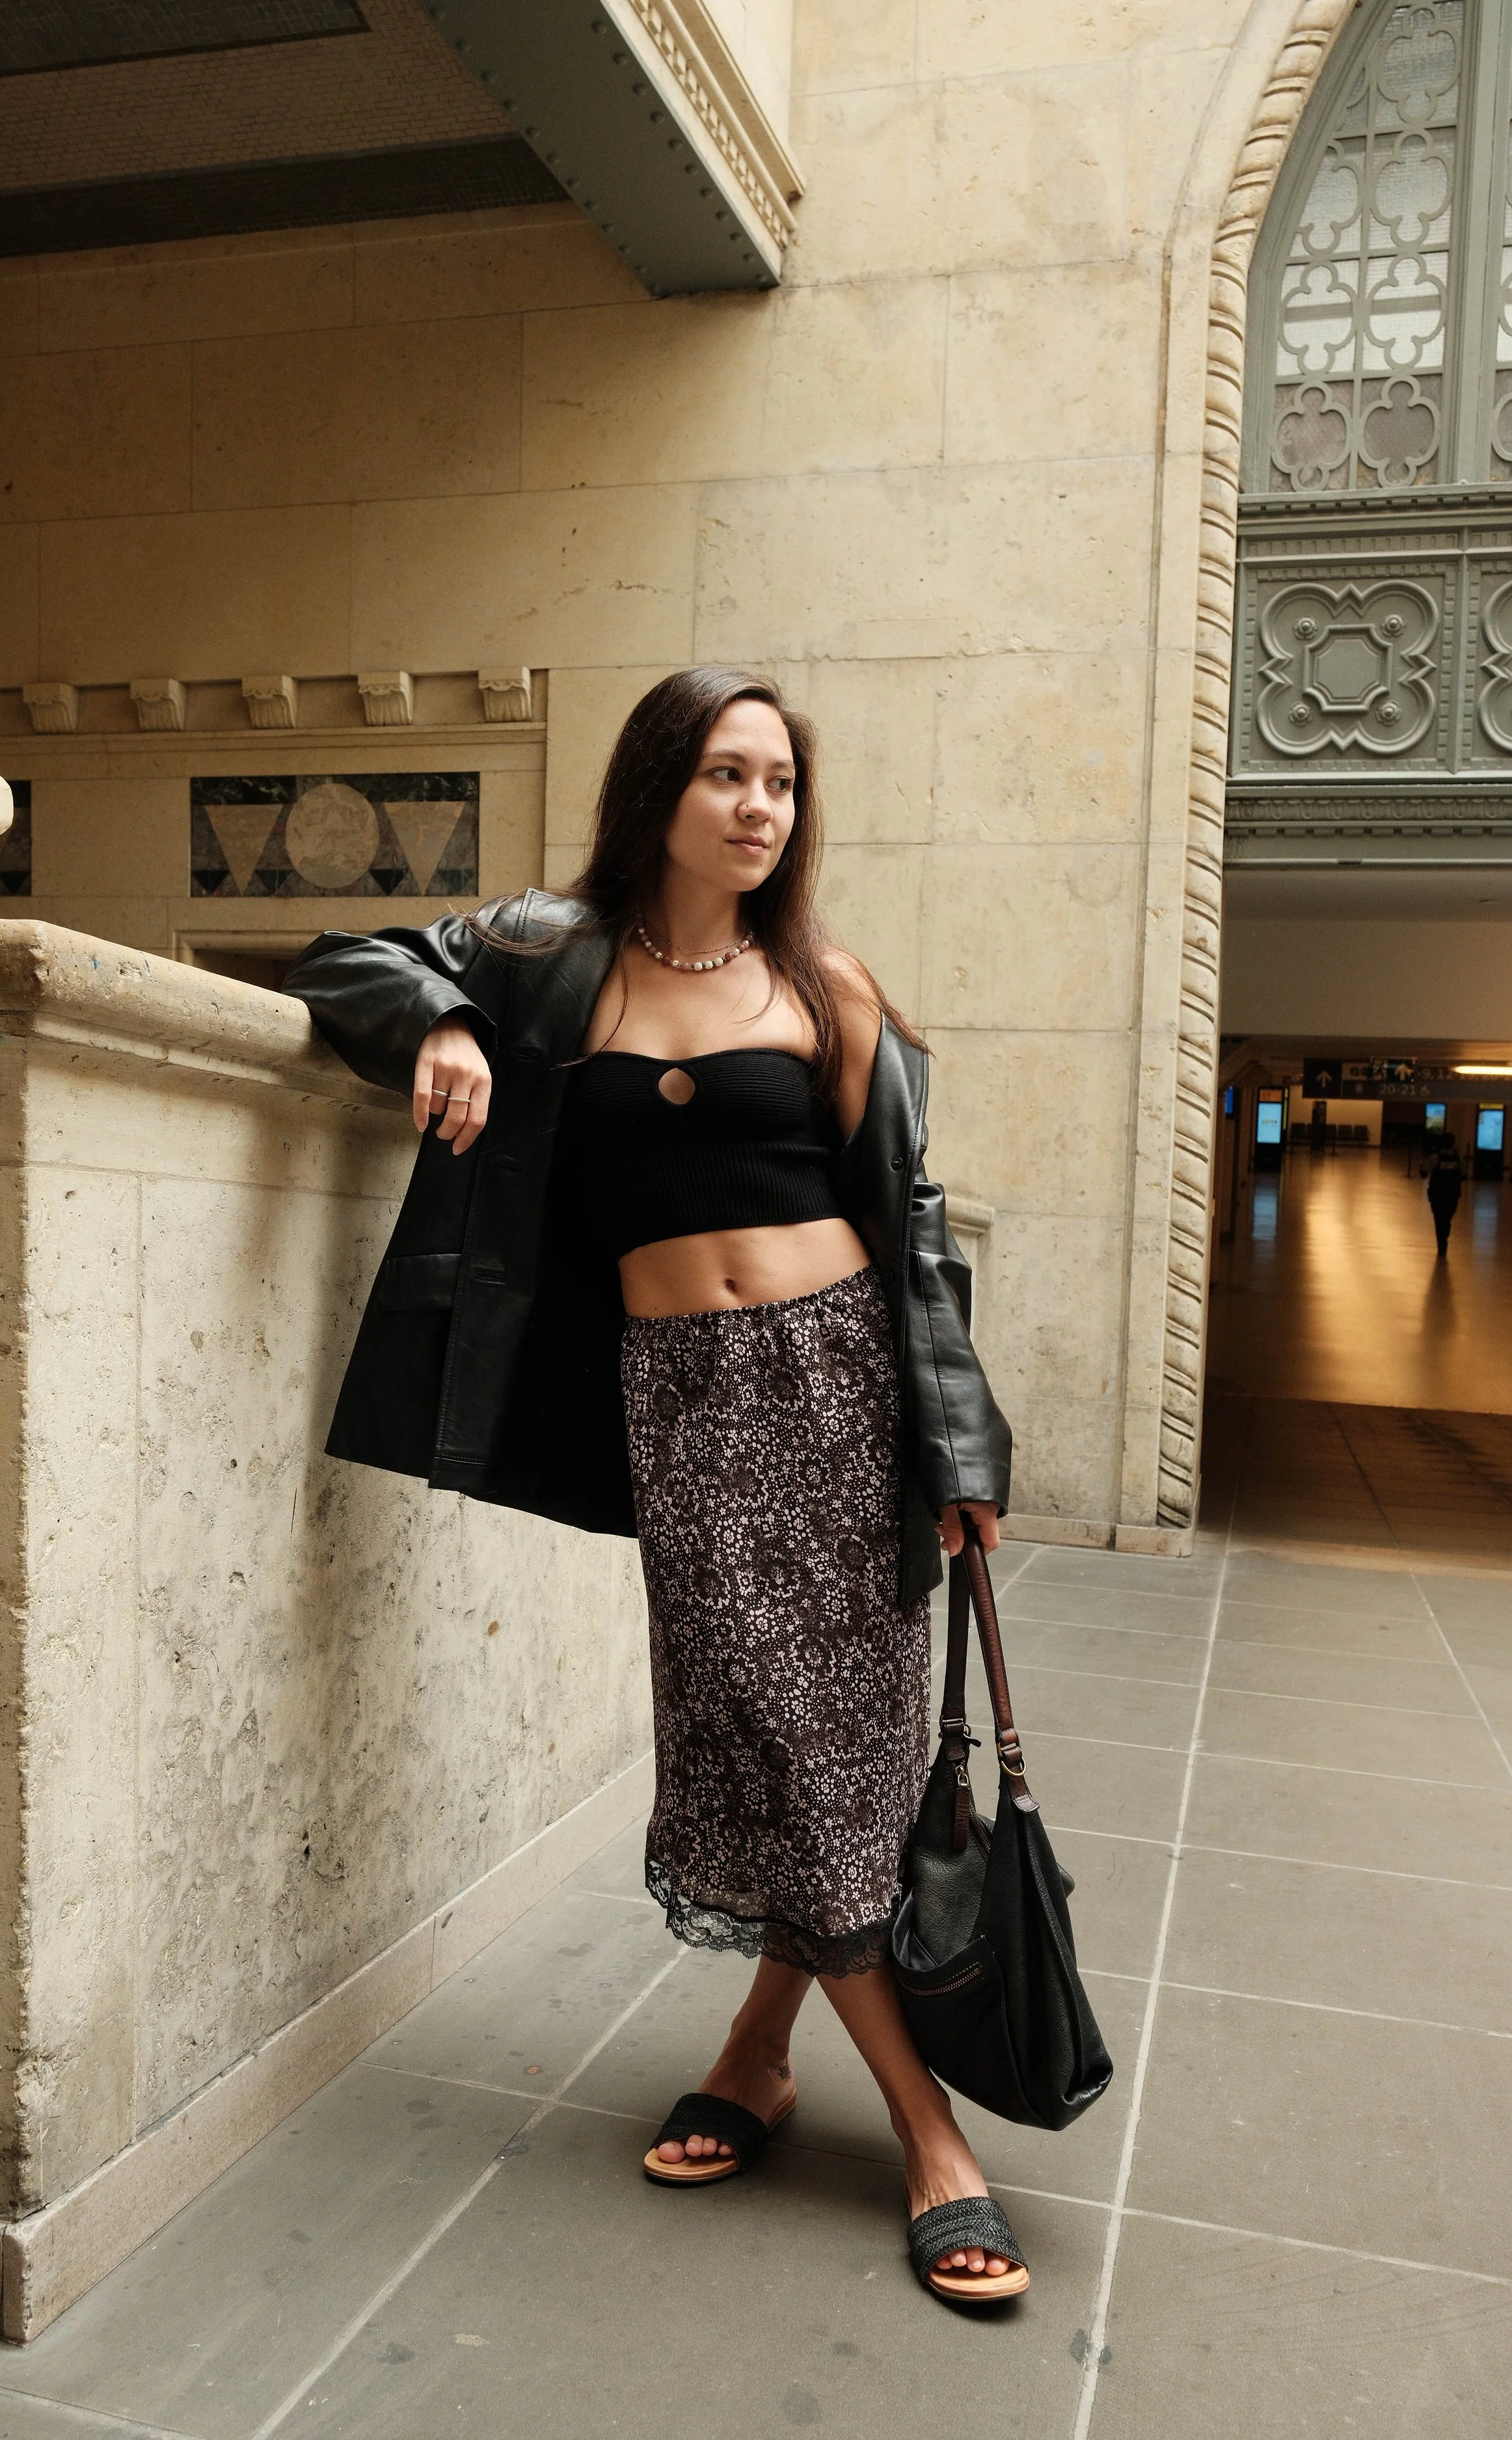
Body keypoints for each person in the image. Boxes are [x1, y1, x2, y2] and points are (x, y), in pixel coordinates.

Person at [284, 668, 1027, 2306]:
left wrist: (959, 1448)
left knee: (835, 1747)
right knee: (755, 1725)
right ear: (657, 791)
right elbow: (348, 956)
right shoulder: (553, 957)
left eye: (778, 781)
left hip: (835, 1392)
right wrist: (451, 1023)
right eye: (725, 775)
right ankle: (788, 2058)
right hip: (683, 1403)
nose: (758, 807)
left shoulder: (821, 984)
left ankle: (914, 2124)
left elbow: (912, 1240)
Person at [1422, 1129, 1465, 1256]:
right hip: (1453, 1193)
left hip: (1437, 1193)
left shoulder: (1435, 1158)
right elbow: (1464, 1175)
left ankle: (1442, 1244)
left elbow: (1424, 1173)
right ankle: (1446, 1229)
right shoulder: (1458, 1159)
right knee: (1448, 1216)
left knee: (1438, 1218)